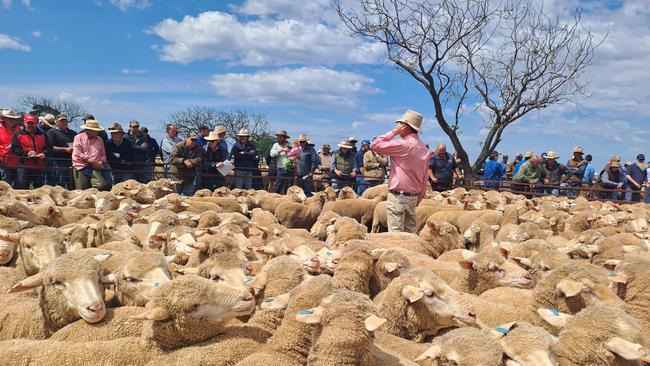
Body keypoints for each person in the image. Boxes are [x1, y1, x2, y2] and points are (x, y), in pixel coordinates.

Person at [371, 109, 430, 233]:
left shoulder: (403, 145)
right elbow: (425, 177)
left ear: (405, 127)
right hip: (413, 197)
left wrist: (393, 132)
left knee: (396, 235)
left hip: (398, 196)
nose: (397, 126)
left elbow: (375, 145)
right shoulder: (424, 148)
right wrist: (419, 197)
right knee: (410, 234)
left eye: (399, 124)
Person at [71, 119, 112, 190]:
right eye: (92, 130)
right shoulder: (78, 137)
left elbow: (103, 154)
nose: (94, 132)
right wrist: (91, 161)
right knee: (82, 189)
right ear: (87, 130)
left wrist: (100, 162)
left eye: (95, 130)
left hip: (96, 167)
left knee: (101, 186)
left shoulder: (100, 140)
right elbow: (77, 153)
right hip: (81, 167)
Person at [11, 114, 48, 189]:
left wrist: (44, 154)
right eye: (28, 123)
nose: (30, 125)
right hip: (23, 166)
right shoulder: (18, 134)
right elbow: (14, 148)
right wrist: (26, 153)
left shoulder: (43, 134)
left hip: (39, 166)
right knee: (22, 189)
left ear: (36, 123)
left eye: (32, 123)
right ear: (24, 123)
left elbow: (48, 148)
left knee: (40, 191)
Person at [47, 113, 77, 188]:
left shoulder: (74, 133)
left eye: (65, 121)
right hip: (58, 162)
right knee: (60, 185)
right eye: (61, 121)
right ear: (56, 122)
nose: (64, 123)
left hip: (73, 162)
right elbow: (50, 147)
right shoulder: (52, 132)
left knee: (73, 185)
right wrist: (65, 149)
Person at [170, 132, 203, 196]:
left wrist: (192, 162)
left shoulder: (198, 148)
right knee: (175, 196)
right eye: (192, 139)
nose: (194, 142)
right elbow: (172, 158)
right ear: (187, 139)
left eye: (196, 140)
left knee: (186, 196)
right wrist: (184, 161)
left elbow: (200, 159)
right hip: (177, 176)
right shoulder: (178, 146)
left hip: (189, 177)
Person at [0, 108, 23, 186]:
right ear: (3, 118)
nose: (13, 121)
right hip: (3, 162)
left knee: (19, 185)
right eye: (10, 119)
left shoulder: (20, 129)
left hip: (18, 162)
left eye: (14, 119)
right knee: (5, 186)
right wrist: (5, 148)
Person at [270, 129, 293, 194]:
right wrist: (281, 150)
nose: (278, 138)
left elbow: (296, 153)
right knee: (278, 186)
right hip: (280, 168)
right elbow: (271, 154)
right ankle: (275, 201)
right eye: (278, 136)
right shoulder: (276, 145)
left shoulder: (290, 145)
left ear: (284, 138)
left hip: (289, 168)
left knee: (288, 187)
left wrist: (290, 153)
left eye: (280, 137)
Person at [37, 114, 56, 185]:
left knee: (49, 175)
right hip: (41, 154)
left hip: (48, 154)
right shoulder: (38, 129)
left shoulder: (49, 130)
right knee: (42, 175)